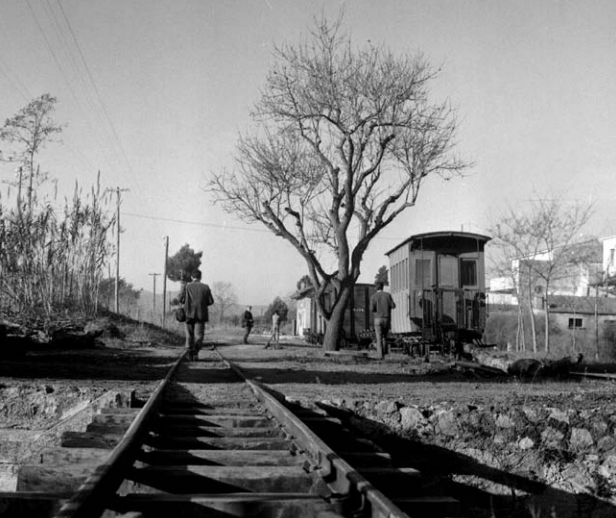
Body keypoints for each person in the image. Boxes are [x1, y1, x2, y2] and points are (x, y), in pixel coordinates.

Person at [179, 269, 214, 360]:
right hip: (201, 315)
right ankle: (196, 352)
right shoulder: (206, 287)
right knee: (199, 335)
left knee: (189, 335)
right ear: (200, 277)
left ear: (192, 277)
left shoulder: (187, 286)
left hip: (188, 314)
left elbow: (181, 300)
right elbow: (211, 301)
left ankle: (189, 353)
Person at [370, 282, 396, 360]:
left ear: (376, 288)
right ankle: (384, 354)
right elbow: (393, 306)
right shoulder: (388, 295)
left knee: (379, 338)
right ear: (383, 287)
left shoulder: (373, 296)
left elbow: (372, 309)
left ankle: (380, 356)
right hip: (386, 318)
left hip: (378, 319)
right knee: (385, 337)